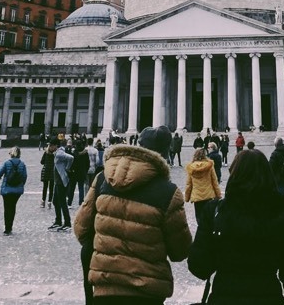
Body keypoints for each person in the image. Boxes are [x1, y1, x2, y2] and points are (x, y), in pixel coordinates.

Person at [74, 124, 192, 304]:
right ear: (166, 151)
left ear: (138, 144)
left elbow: (81, 229)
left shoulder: (102, 180)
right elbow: (180, 251)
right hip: (147, 291)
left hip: (105, 286)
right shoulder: (168, 192)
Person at [188, 147, 284, 304]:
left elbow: (199, 267)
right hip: (269, 296)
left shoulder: (216, 211)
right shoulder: (282, 213)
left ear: (234, 174)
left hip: (224, 296)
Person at [0, 145, 27, 235]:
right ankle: (10, 226)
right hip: (17, 190)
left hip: (6, 189)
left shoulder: (7, 163)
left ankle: (7, 229)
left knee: (7, 208)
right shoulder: (22, 164)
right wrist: (20, 185)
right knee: (13, 208)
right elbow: (24, 177)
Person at [185, 147, 221, 224]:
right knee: (210, 217)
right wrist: (218, 195)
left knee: (199, 218)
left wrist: (187, 198)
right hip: (209, 195)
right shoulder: (209, 165)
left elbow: (189, 184)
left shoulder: (191, 167)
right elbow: (214, 181)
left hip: (197, 197)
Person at [48, 137, 73, 231]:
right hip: (57, 181)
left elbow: (71, 157)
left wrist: (67, 168)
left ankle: (67, 223)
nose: (49, 147)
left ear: (55, 146)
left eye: (50, 145)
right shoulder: (57, 153)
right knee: (55, 201)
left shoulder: (59, 153)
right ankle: (58, 221)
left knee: (62, 202)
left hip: (61, 181)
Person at [68, 139, 89, 206]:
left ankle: (69, 203)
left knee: (72, 188)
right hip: (82, 172)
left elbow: (71, 162)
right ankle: (80, 203)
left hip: (74, 172)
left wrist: (71, 170)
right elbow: (88, 163)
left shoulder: (74, 152)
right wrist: (85, 171)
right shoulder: (85, 153)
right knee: (81, 188)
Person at [40, 142, 56, 208]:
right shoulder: (55, 154)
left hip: (46, 171)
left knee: (45, 187)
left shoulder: (46, 153)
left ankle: (43, 201)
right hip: (52, 171)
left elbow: (42, 161)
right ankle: (49, 202)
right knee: (51, 188)